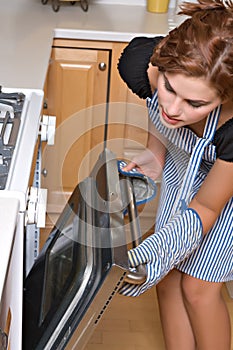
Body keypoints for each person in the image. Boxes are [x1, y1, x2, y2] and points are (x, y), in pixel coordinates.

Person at [117, 1, 233, 349]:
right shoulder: (143, 64)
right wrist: (156, 151)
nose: (172, 108)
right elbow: (158, 105)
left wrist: (146, 252)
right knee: (166, 278)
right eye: (170, 87)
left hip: (223, 188)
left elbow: (207, 209)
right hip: (185, 163)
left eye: (195, 105)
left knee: (198, 288)